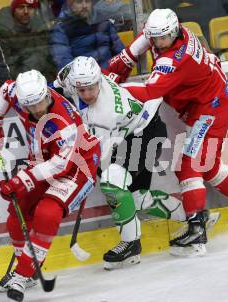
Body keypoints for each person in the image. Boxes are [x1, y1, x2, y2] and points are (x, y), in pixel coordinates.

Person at [107, 9, 228, 256]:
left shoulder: (175, 59)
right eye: (155, 37)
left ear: (172, 33)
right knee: (208, 163)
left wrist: (110, 91)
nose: (158, 42)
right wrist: (128, 56)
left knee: (188, 164)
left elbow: (150, 91)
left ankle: (196, 229)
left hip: (211, 110)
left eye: (162, 38)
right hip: (206, 104)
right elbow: (146, 38)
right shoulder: (173, 31)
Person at [56, 56, 209, 268]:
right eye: (82, 90)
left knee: (112, 183)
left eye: (92, 88)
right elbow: (53, 90)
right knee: (136, 198)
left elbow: (102, 156)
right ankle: (195, 217)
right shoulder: (70, 75)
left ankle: (130, 245)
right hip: (129, 134)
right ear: (73, 85)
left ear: (98, 80)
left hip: (145, 134)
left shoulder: (106, 114)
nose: (88, 94)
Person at [0, 69, 100, 301]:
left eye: (40, 102)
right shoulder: (20, 94)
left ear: (46, 93)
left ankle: (24, 273)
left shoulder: (63, 121)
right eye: (30, 106)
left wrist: (22, 180)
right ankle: (22, 266)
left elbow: (61, 166)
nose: (37, 109)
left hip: (78, 165)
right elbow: (6, 90)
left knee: (47, 213)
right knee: (18, 212)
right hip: (44, 159)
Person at [49, 0, 125, 71]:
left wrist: (119, 71)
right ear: (70, 4)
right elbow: (64, 63)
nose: (84, 6)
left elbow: (119, 50)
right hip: (84, 79)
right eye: (79, 2)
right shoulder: (62, 27)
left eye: (87, 1)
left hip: (110, 75)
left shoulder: (102, 19)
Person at [0, 0, 56, 81]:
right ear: (13, 11)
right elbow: (8, 68)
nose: (26, 11)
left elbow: (52, 60)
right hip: (22, 83)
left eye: (30, 7)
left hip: (47, 81)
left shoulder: (41, 30)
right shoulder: (3, 34)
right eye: (21, 7)